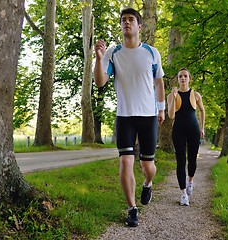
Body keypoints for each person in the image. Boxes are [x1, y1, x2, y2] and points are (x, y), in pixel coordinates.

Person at [94, 8, 165, 227]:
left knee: (147, 166)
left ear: (139, 26)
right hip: (124, 116)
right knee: (126, 162)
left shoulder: (152, 53)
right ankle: (132, 209)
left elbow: (159, 82)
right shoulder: (113, 52)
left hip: (148, 116)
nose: (126, 23)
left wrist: (161, 109)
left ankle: (148, 183)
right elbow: (100, 82)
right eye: (123, 20)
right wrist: (98, 58)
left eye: (131, 20)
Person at [167, 68, 205, 206]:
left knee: (192, 159)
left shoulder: (196, 95)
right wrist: (174, 96)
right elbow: (171, 115)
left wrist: (202, 127)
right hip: (178, 130)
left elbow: (202, 110)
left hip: (193, 130)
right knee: (180, 161)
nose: (182, 78)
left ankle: (190, 181)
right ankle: (183, 194)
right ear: (177, 79)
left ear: (189, 79)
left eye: (185, 76)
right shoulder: (171, 95)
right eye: (180, 76)